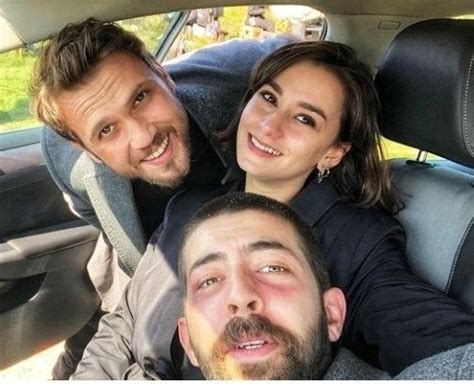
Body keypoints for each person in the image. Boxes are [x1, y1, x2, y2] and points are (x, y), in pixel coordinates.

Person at [71, 41, 474, 379]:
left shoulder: (356, 242)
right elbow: (124, 322)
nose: (268, 125)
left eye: (304, 118)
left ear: (333, 151)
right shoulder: (189, 205)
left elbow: (445, 351)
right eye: (268, 98)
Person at [30, 18, 291, 378]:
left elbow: (303, 58)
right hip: (134, 290)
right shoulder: (63, 156)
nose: (142, 136)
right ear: (84, 148)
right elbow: (92, 212)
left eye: (140, 97)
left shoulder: (239, 72)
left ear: (163, 74)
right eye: (107, 130)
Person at [78, 192, 474, 379]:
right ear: (188, 342)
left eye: (271, 268)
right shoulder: (185, 204)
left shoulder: (361, 239)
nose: (240, 296)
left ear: (332, 314)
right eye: (210, 280)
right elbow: (125, 313)